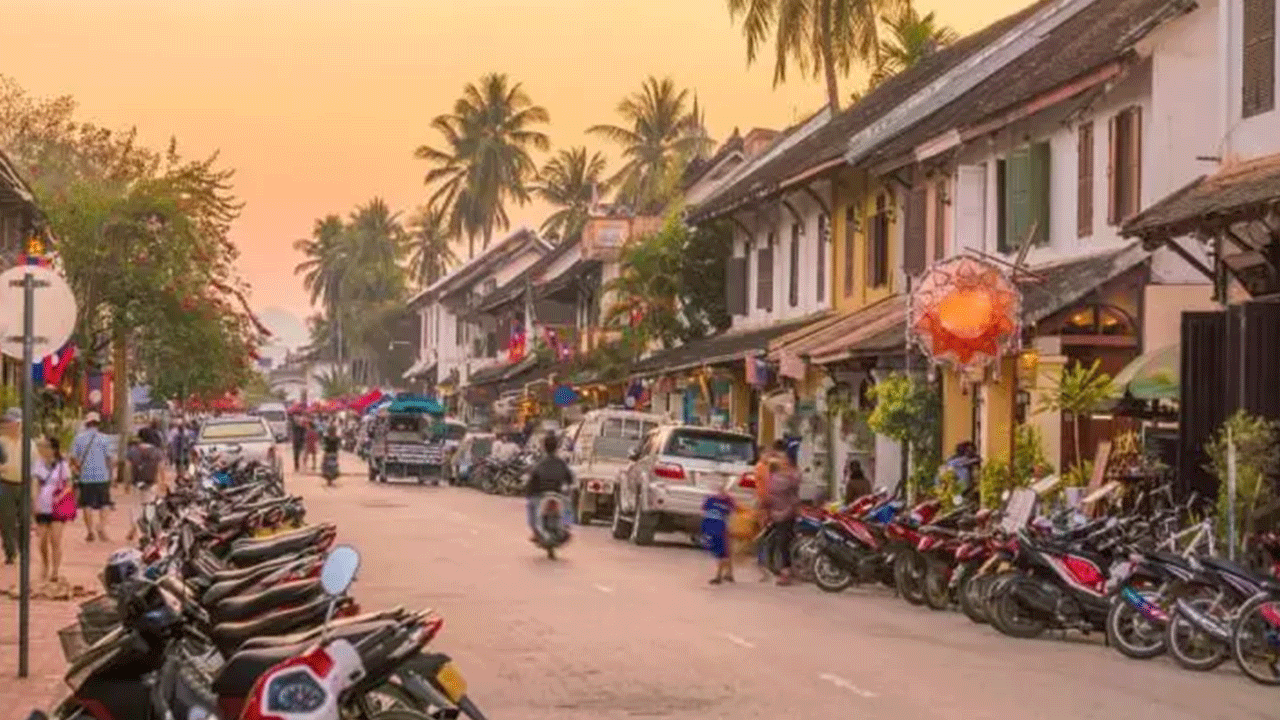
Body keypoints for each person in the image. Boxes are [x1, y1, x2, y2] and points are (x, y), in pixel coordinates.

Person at [33, 436, 73, 584]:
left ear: (53, 449)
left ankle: (55, 570)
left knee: (55, 540)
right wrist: (35, 502)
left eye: (45, 446)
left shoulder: (63, 465)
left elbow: (69, 484)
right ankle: (45, 564)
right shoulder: (38, 464)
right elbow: (35, 484)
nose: (42, 449)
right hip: (43, 505)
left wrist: (61, 496)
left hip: (58, 506)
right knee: (42, 541)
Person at [762, 442, 802, 586]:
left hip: (785, 513)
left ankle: (786, 572)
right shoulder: (782, 477)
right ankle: (785, 570)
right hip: (783, 513)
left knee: (783, 543)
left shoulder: (782, 478)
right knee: (783, 542)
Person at [70, 411, 115, 542]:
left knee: (87, 504)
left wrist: (78, 466)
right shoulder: (105, 438)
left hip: (86, 476)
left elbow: (73, 457)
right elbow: (109, 459)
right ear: (98, 424)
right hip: (103, 475)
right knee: (105, 503)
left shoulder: (79, 438)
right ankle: (101, 526)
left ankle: (90, 531)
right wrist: (111, 474)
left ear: (87, 423)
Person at [524, 432, 573, 544]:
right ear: (556, 447)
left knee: (531, 506)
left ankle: (536, 531)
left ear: (544, 447)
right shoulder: (561, 463)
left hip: (541, 495)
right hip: (558, 493)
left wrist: (528, 492)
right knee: (568, 505)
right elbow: (569, 479)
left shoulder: (539, 463)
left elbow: (532, 480)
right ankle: (566, 527)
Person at [0, 407, 26, 564]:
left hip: (24, 484)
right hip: (5, 484)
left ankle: (23, 550)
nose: (10, 425)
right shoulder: (1, 442)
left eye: (13, 422)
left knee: (24, 519)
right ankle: (10, 552)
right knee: (6, 520)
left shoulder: (28, 442)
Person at [701, 479, 736, 584]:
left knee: (722, 551)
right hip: (719, 525)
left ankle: (719, 575)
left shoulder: (711, 499)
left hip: (716, 526)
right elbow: (732, 512)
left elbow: (704, 511)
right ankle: (727, 574)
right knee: (724, 550)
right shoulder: (727, 501)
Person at [127, 430, 167, 505]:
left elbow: (128, 467)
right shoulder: (157, 451)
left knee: (137, 505)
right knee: (150, 505)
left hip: (136, 482)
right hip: (151, 482)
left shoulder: (133, 450)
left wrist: (127, 483)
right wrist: (163, 482)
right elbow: (161, 468)